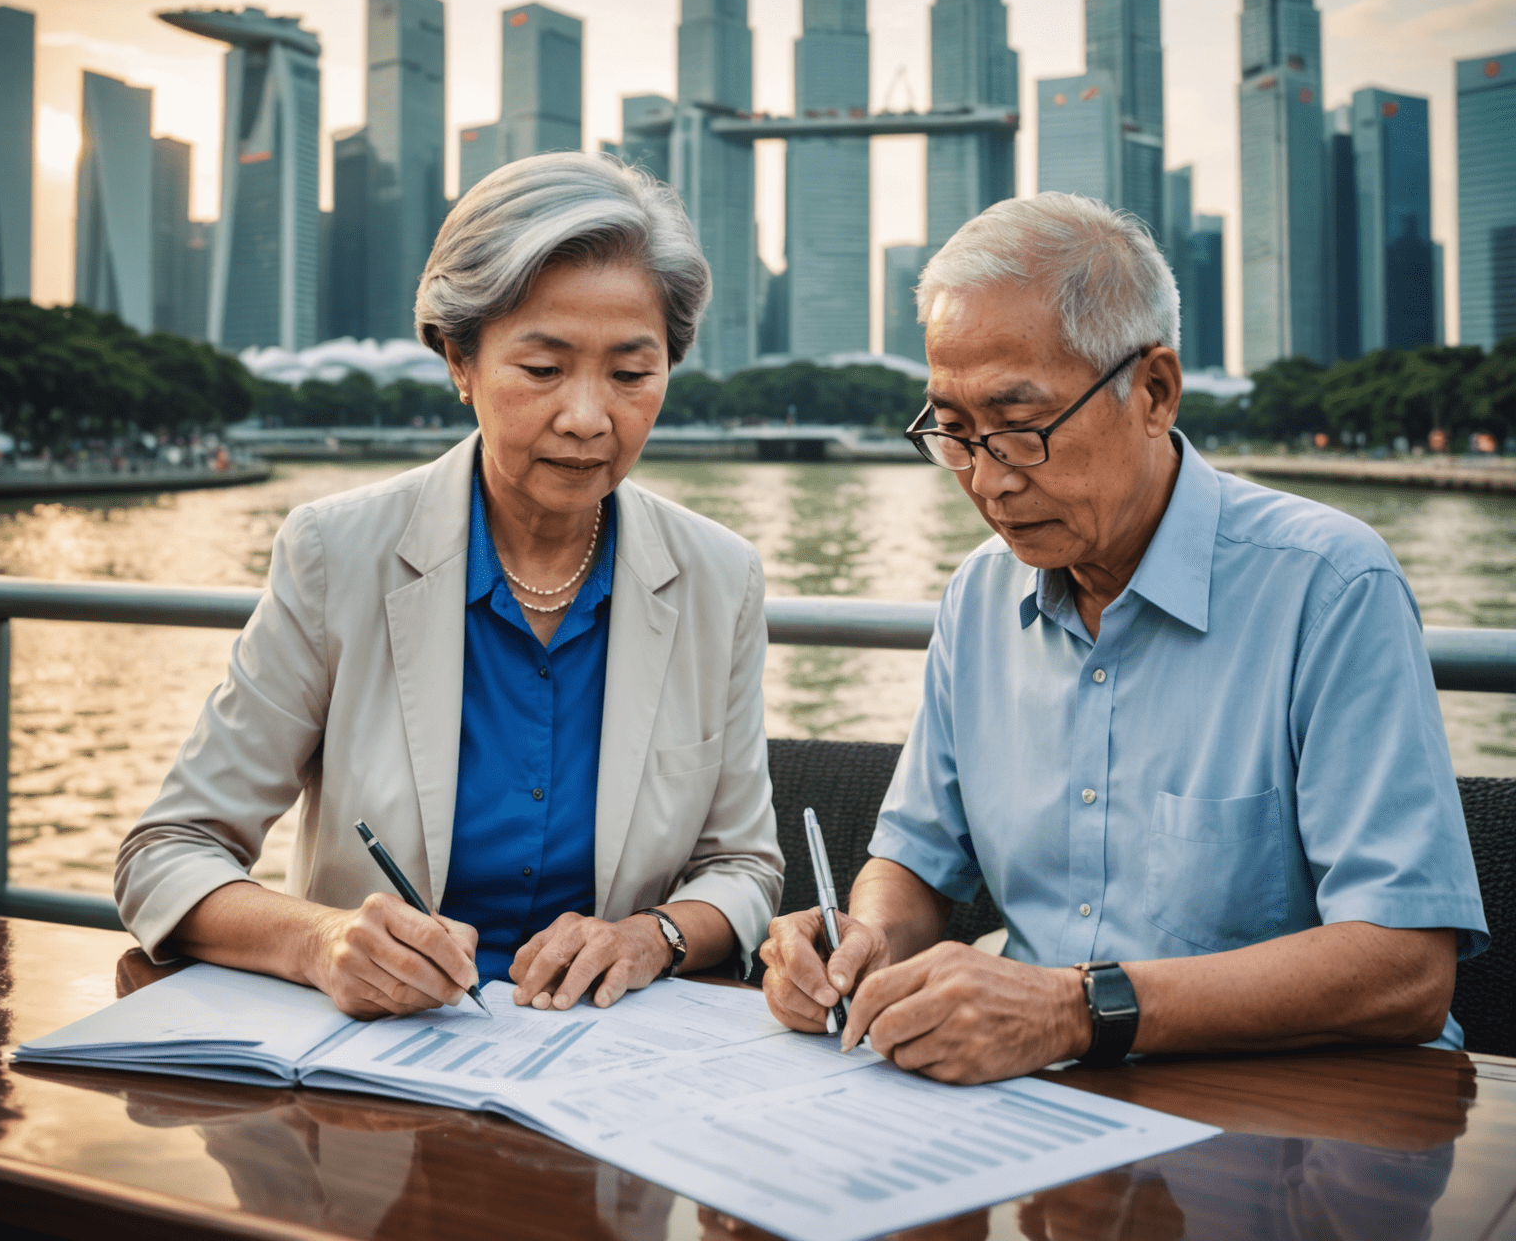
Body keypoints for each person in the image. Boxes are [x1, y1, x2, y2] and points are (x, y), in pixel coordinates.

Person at [762, 191, 1487, 1081]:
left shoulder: (1328, 586)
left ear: (1154, 392)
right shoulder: (979, 598)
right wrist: (861, 940)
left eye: (1022, 429)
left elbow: (1406, 968)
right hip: (1039, 1104)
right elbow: (913, 862)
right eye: (952, 432)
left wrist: (1076, 1010)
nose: (988, 482)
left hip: (1305, 1115)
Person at [118, 152, 783, 1019]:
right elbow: (168, 851)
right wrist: (321, 943)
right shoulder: (337, 554)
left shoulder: (719, 577)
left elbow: (746, 868)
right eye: (542, 370)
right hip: (377, 1086)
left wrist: (648, 937)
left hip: (611, 1067)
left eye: (630, 374)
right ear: (458, 359)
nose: (588, 418)